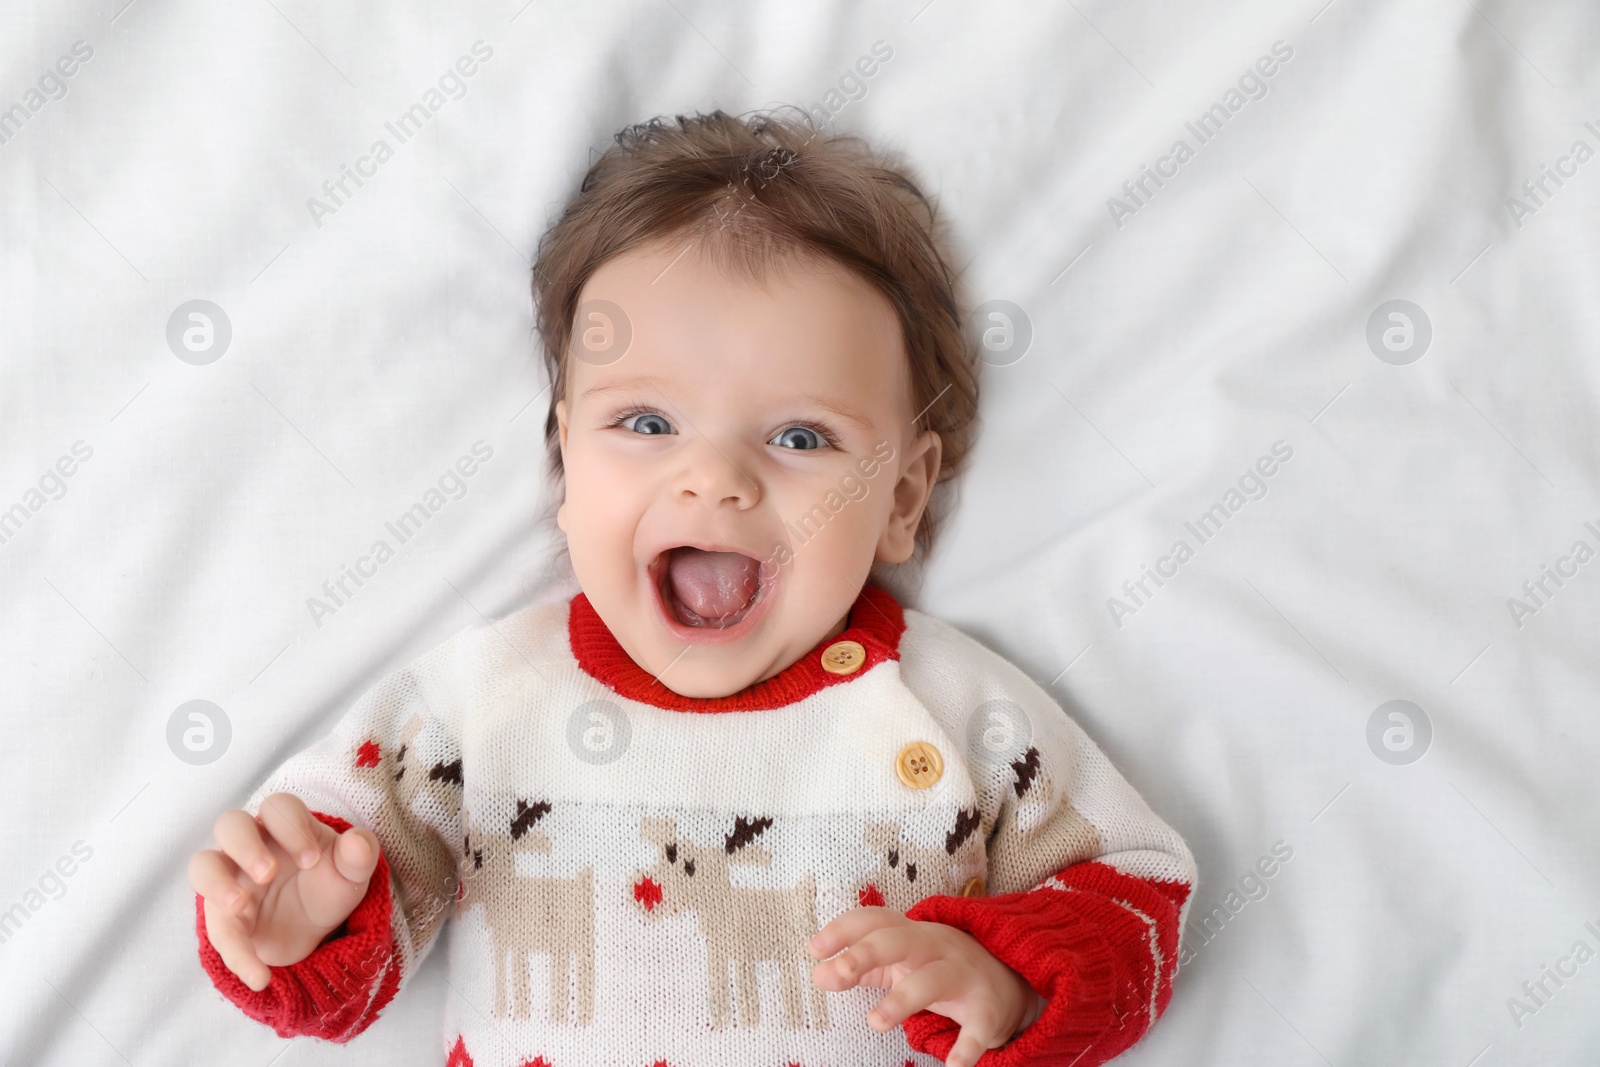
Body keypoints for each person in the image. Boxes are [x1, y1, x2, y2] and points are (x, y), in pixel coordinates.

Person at [188, 109, 1196, 1067]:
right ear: (564, 467)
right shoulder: (476, 701)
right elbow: (353, 935)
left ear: (902, 495)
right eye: (645, 423)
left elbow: (1138, 892)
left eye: (800, 437)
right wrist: (300, 927)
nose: (714, 476)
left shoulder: (954, 709)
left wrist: (1008, 982)